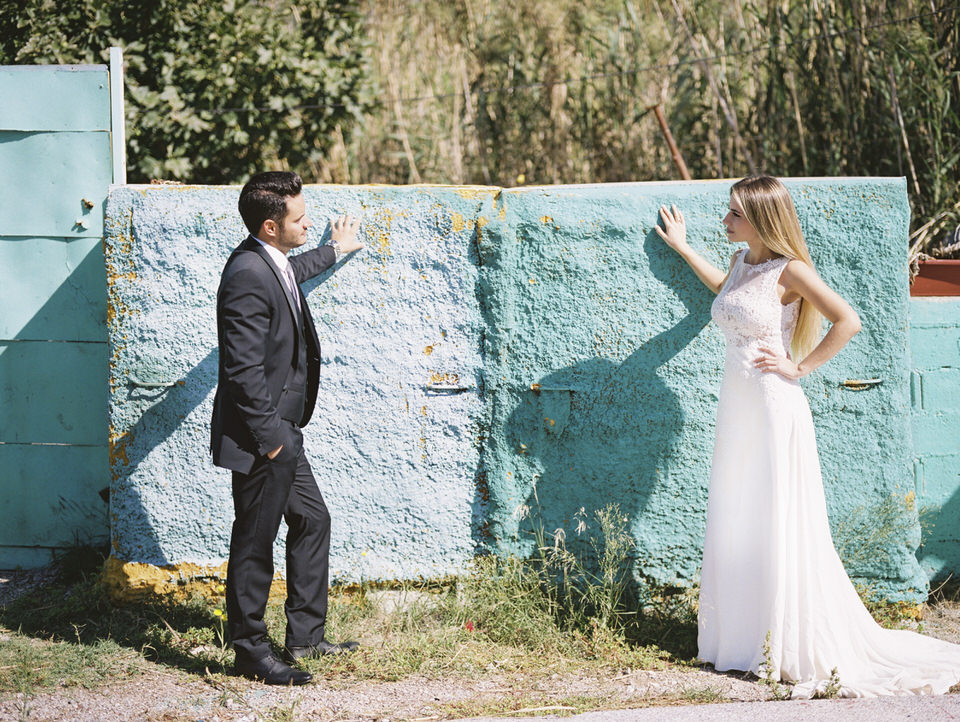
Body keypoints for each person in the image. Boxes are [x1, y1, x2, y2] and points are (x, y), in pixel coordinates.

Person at [655, 174, 960, 697]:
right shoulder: (740, 263)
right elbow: (723, 293)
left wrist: (799, 367)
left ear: (759, 219)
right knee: (742, 514)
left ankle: (789, 642)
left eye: (733, 213)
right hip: (738, 409)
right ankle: (747, 640)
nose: (724, 221)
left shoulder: (790, 270)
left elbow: (848, 320)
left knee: (778, 516)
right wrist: (683, 249)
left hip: (774, 406)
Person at [210, 171, 363, 685]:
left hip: (282, 434)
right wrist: (273, 440)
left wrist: (335, 250)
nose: (310, 222)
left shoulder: (268, 261)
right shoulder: (246, 274)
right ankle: (251, 651)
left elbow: (292, 271)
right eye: (300, 218)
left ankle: (305, 637)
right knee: (254, 542)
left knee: (312, 519)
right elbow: (242, 372)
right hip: (263, 439)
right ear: (271, 226)